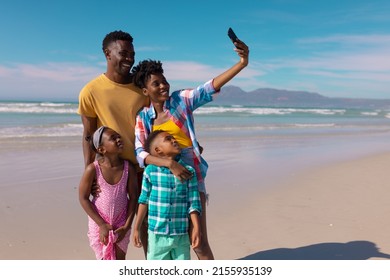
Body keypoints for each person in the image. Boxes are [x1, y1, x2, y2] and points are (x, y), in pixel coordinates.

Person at [132, 39, 249, 260]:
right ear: (145, 90)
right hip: (163, 188)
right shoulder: (143, 118)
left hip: (191, 182)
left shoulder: (180, 101)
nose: (163, 86)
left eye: (164, 81)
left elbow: (208, 88)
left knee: (199, 243)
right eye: (156, 84)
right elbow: (141, 154)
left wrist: (242, 63)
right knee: (164, 245)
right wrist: (170, 163)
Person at [77, 30, 150, 255]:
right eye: (124, 53)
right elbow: (89, 136)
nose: (130, 58)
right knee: (113, 232)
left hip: (143, 168)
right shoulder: (90, 91)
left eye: (132, 53)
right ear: (108, 53)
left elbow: (155, 125)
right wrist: (89, 174)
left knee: (149, 228)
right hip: (113, 174)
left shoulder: (142, 88)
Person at [132, 130, 201, 260]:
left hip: (180, 234)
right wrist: (136, 228)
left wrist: (196, 227)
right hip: (156, 235)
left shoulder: (188, 171)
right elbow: (143, 201)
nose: (174, 140)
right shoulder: (150, 171)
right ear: (158, 150)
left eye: (173, 138)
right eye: (168, 139)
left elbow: (193, 202)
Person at [79, 126, 138, 260]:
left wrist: (127, 226)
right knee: (103, 259)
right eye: (113, 138)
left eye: (118, 136)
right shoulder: (93, 169)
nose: (119, 139)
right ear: (101, 149)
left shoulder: (128, 168)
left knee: (120, 260)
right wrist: (101, 224)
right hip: (99, 221)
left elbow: (133, 198)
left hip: (122, 222)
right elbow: (83, 198)